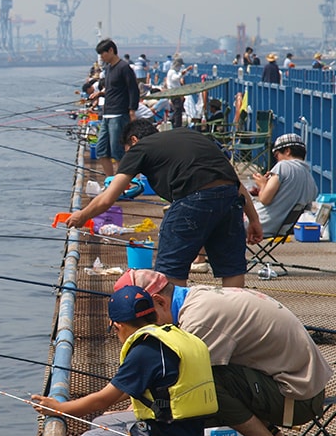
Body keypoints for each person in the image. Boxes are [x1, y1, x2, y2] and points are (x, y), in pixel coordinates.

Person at [113, 269, 333, 436]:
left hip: (298, 398)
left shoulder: (198, 321)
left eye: (144, 321)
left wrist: (129, 414)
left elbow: (181, 383)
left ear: (159, 301)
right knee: (204, 385)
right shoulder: (195, 298)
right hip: (292, 384)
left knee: (203, 388)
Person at [31, 285, 217, 436]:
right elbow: (128, 389)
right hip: (188, 427)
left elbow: (104, 398)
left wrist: (60, 408)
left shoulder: (145, 350)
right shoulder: (173, 335)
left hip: (172, 434)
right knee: (102, 422)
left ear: (118, 324)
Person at [66, 119, 263, 288]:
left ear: (133, 140)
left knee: (170, 269)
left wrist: (82, 216)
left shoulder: (140, 148)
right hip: (229, 198)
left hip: (193, 198)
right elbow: (234, 181)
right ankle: (237, 318)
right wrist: (254, 220)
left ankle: (174, 325)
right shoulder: (190, 135)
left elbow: (108, 197)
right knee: (232, 268)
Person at [89, 38, 139, 177]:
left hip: (118, 114)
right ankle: (110, 181)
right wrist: (100, 94)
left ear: (111, 50)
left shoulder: (124, 67)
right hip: (106, 114)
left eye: (103, 54)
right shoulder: (109, 68)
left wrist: (132, 110)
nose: (102, 57)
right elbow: (113, 89)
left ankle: (123, 183)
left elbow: (133, 89)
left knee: (117, 151)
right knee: (101, 150)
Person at [252, 133, 318, 235]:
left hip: (260, 224)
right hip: (284, 229)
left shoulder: (283, 166)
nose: (277, 159)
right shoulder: (311, 180)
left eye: (276, 155)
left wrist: (262, 184)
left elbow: (265, 199)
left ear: (287, 151)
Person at [165, 57, 190, 127]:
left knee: (177, 110)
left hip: (175, 93)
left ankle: (173, 121)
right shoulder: (172, 72)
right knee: (178, 110)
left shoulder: (173, 72)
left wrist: (184, 72)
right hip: (174, 93)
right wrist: (182, 73)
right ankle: (177, 125)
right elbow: (175, 78)